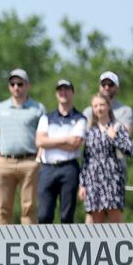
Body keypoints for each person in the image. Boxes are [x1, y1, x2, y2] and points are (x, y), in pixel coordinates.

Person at [0, 69, 46, 225]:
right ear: (9, 87)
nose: (16, 87)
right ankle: (3, 245)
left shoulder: (38, 108)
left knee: (29, 207)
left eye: (20, 84)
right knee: (2, 208)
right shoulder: (0, 108)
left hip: (29, 161)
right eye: (12, 84)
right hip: (4, 162)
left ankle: (29, 244)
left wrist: (39, 159)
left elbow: (44, 135)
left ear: (27, 85)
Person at [35, 79, 86, 224]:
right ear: (56, 94)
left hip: (69, 168)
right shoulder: (46, 117)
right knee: (44, 215)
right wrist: (66, 140)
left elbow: (75, 144)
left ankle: (66, 246)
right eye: (60, 90)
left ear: (72, 93)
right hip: (47, 168)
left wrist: (50, 141)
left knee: (66, 216)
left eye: (67, 90)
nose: (63, 93)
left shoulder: (80, 118)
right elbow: (39, 142)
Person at [79, 93, 133, 224]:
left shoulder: (117, 127)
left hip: (113, 179)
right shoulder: (89, 131)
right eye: (95, 106)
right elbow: (86, 158)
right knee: (95, 223)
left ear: (108, 107)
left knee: (115, 223)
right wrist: (82, 184)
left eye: (102, 105)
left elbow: (130, 149)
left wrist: (114, 138)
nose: (99, 108)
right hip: (93, 179)